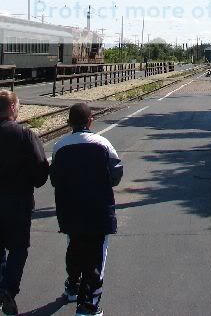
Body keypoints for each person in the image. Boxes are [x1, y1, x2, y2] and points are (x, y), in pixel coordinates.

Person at [50, 103, 123, 316]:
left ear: (69, 123)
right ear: (91, 120)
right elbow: (117, 173)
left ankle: (72, 286)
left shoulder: (59, 146)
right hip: (98, 209)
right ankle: (88, 305)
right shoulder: (103, 143)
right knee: (96, 255)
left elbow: (54, 178)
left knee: (74, 247)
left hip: (69, 209)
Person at [0, 89, 49, 316]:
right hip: (18, 202)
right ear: (12, 108)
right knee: (19, 249)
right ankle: (8, 289)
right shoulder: (25, 135)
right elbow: (41, 171)